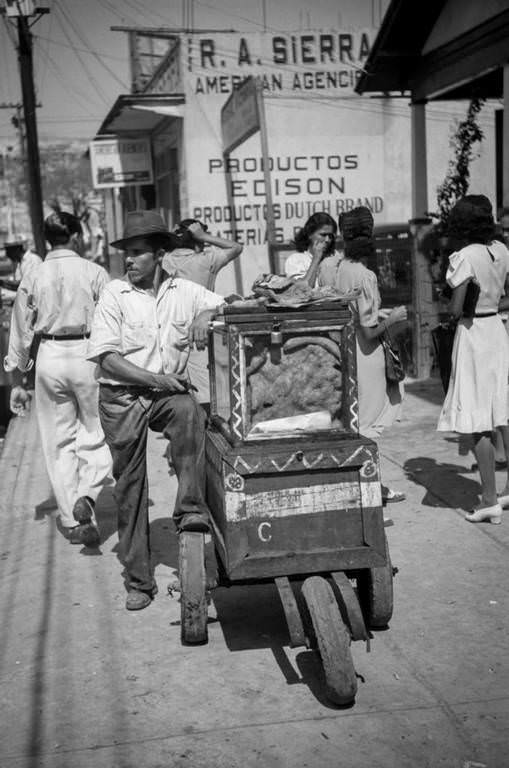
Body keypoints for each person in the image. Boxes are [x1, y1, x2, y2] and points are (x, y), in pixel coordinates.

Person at [87, 210, 224, 611]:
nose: (128, 261)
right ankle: (139, 581)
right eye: (126, 254)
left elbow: (231, 303)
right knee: (130, 489)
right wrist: (156, 379)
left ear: (160, 254)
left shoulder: (184, 290)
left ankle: (190, 510)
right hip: (121, 396)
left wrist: (207, 313)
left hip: (166, 394)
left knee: (189, 413)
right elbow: (107, 360)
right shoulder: (115, 294)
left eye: (138, 253)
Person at [4, 211, 112, 545]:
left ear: (47, 239)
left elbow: (21, 331)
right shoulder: (95, 271)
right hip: (88, 352)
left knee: (58, 441)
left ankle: (73, 517)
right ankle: (89, 493)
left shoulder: (34, 275)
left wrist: (18, 382)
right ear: (77, 237)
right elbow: (112, 319)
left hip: (49, 355)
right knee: (97, 429)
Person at [316, 206, 408, 508]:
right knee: (368, 425)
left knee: (353, 421)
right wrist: (392, 318)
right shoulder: (365, 275)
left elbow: (351, 314)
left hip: (347, 349)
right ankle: (369, 496)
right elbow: (370, 333)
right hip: (367, 355)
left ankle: (363, 487)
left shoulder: (338, 269)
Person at [437, 195, 509, 524]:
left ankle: (489, 500)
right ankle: (505, 492)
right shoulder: (502, 250)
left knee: (477, 421)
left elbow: (456, 309)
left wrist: (447, 302)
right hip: (497, 328)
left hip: (474, 333)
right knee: (502, 410)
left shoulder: (464, 256)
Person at [162, 219, 243, 406]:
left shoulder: (164, 260)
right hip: (200, 333)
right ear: (198, 241)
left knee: (176, 396)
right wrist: (204, 235)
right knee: (207, 398)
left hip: (169, 336)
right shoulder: (206, 259)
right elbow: (236, 247)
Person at [284, 211, 343, 286]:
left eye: (330, 236)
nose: (327, 240)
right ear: (310, 234)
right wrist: (316, 258)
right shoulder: (296, 260)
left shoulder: (335, 255)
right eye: (323, 235)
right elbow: (303, 289)